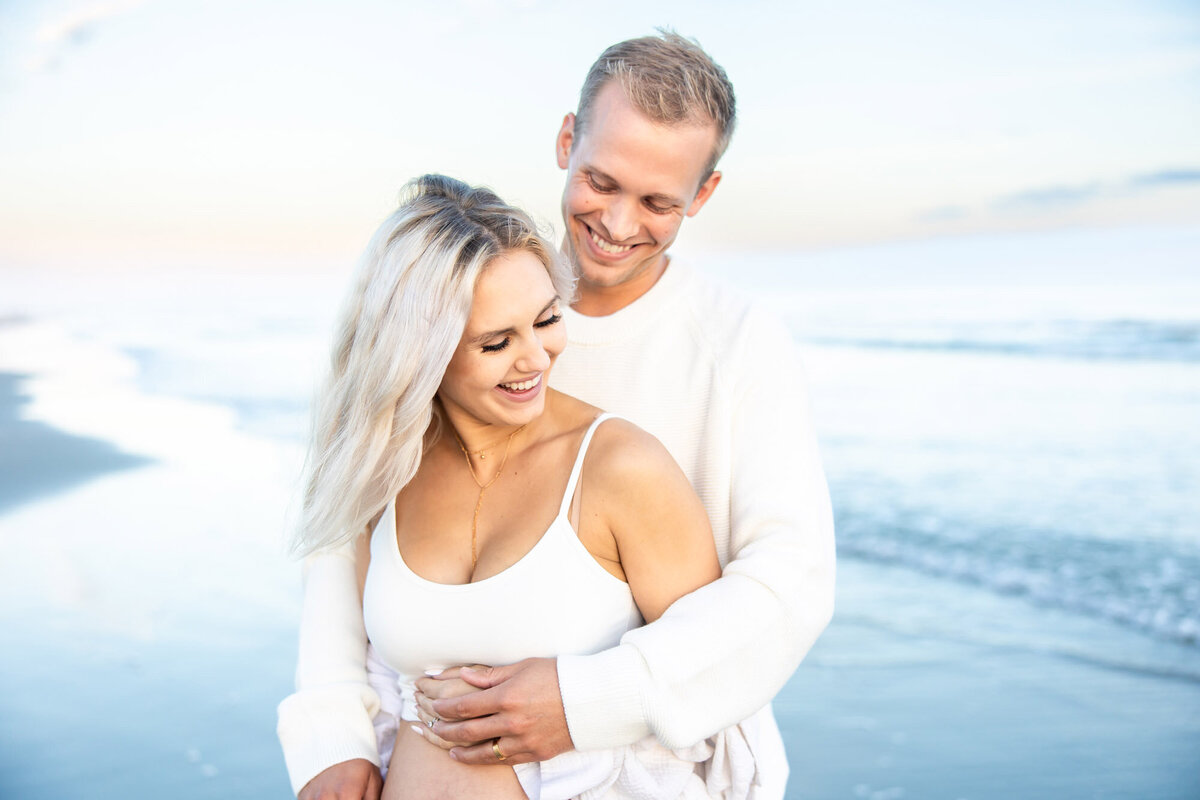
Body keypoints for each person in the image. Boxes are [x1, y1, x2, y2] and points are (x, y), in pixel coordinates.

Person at [278, 31, 836, 800]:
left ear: (702, 196)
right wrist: (330, 736)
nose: (617, 221)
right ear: (567, 140)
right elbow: (347, 534)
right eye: (601, 181)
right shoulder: (481, 294)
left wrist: (587, 702)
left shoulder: (735, 345)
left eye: (658, 201)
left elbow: (788, 583)